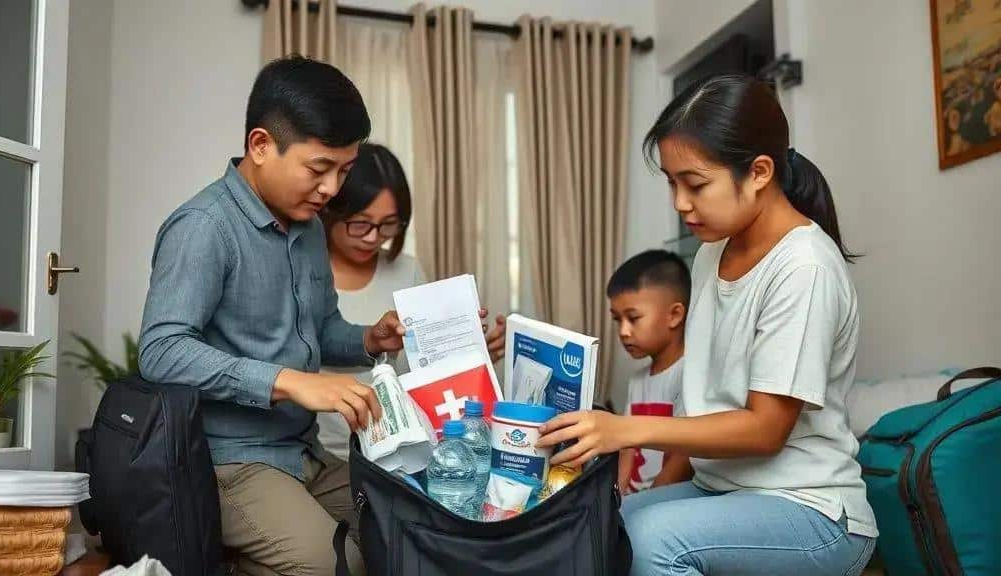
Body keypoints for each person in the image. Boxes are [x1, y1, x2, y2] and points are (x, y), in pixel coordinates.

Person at [538, 74, 877, 575]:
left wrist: (624, 428)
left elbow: (765, 430)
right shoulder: (711, 253)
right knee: (600, 525)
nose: (680, 203)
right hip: (723, 490)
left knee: (654, 540)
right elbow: (708, 402)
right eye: (672, 183)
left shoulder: (803, 267)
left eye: (695, 184)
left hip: (813, 510)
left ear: (760, 172)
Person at [138, 56, 403, 576]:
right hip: (227, 460)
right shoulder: (204, 227)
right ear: (261, 146)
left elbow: (322, 331)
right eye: (318, 168)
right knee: (336, 565)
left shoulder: (306, 229)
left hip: (300, 453)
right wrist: (288, 382)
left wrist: (371, 338)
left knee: (404, 530)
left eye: (343, 171)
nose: (331, 189)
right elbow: (160, 351)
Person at [316, 142, 506, 461]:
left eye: (388, 224)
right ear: (330, 209)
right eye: (360, 223)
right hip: (327, 455)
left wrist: (472, 352)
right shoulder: (307, 272)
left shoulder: (408, 271)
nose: (373, 237)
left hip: (402, 455)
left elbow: (423, 370)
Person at [609, 250, 693, 495]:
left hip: (663, 501)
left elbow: (684, 456)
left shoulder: (689, 374)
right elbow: (627, 448)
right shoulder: (637, 381)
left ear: (674, 315)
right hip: (635, 501)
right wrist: (618, 502)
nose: (624, 331)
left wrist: (648, 502)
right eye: (617, 320)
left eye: (633, 318)